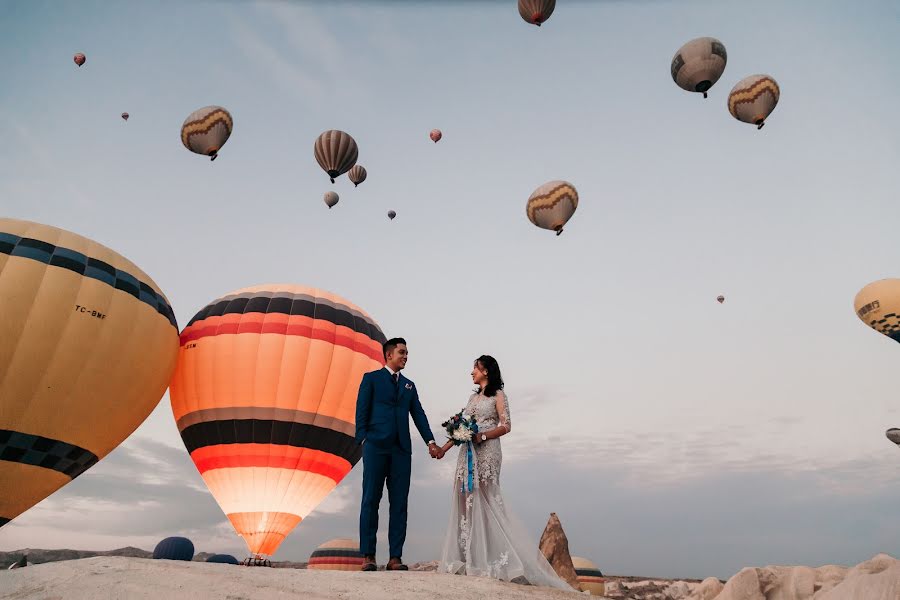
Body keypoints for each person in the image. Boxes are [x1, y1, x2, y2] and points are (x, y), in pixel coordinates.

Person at [436, 355, 575, 591]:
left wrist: (482, 435)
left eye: (475, 368)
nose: (471, 372)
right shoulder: (472, 397)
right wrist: (443, 449)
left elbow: (506, 425)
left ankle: (493, 559)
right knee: (465, 498)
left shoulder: (498, 396)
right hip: (468, 453)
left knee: (487, 499)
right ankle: (468, 556)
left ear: (486, 371)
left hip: (487, 450)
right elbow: (460, 428)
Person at [355, 337, 441, 571]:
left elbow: (419, 415)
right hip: (375, 446)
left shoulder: (409, 386)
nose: (405, 356)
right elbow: (361, 410)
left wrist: (431, 442)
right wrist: (363, 439)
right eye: (402, 352)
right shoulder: (371, 379)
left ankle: (395, 557)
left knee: (400, 502)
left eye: (407, 353)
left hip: (401, 450)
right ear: (389, 355)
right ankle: (368, 556)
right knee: (370, 500)